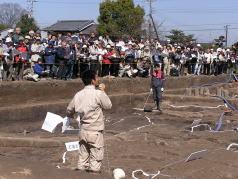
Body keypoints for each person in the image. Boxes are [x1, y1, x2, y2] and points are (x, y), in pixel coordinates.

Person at [66, 70, 112, 173]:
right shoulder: (98, 93)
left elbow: (69, 110)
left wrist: (72, 116)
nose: (98, 79)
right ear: (92, 80)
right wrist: (103, 91)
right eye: (96, 78)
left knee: (82, 159)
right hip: (95, 131)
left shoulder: (78, 94)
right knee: (95, 161)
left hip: (83, 131)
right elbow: (108, 106)